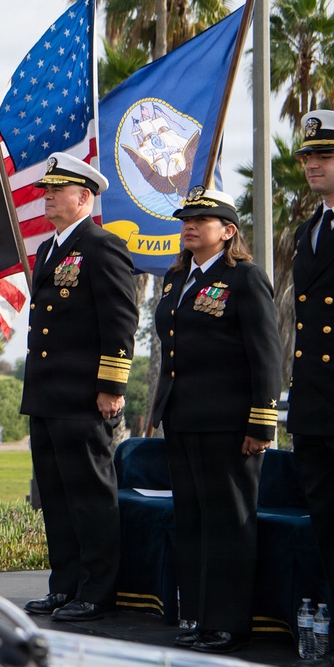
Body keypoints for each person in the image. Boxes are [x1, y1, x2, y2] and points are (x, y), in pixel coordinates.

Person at [151, 187, 282, 654]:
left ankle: (227, 623)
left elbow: (266, 354)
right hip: (183, 420)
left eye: (201, 220)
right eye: (186, 219)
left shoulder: (243, 278)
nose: (189, 226)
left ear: (227, 232)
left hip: (229, 424)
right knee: (192, 522)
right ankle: (199, 615)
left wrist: (261, 423)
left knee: (228, 525)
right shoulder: (176, 278)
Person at [20, 152, 138, 622]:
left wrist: (111, 386)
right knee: (56, 498)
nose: (47, 197)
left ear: (83, 197)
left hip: (84, 397)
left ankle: (97, 591)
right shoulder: (49, 250)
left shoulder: (101, 245)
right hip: (47, 396)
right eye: (46, 190)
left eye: (56, 190)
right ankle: (64, 586)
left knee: (90, 498)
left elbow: (120, 321)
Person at [289, 108, 334, 641]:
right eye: (307, 157)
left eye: (324, 156)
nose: (312, 165)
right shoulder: (308, 230)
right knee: (325, 522)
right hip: (316, 405)